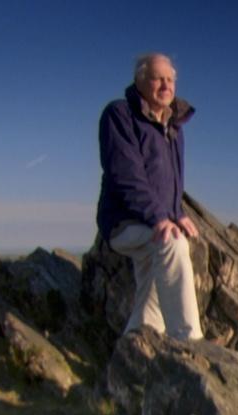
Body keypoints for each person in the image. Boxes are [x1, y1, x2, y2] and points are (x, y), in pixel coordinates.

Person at [96, 52, 203, 341]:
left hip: (151, 222)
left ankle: (134, 347)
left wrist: (176, 212)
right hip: (124, 222)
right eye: (158, 78)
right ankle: (190, 341)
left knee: (154, 291)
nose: (166, 85)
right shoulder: (119, 115)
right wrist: (160, 218)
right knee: (172, 244)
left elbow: (170, 183)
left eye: (170, 79)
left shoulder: (174, 128)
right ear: (140, 81)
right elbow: (126, 176)